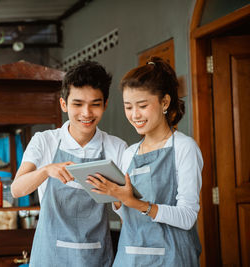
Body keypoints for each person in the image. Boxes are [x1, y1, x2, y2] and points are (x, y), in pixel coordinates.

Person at [87, 57, 203, 266]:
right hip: (130, 256)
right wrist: (115, 197)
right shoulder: (129, 153)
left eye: (142, 105)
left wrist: (135, 202)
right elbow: (126, 215)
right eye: (128, 107)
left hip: (172, 257)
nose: (134, 115)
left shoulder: (184, 148)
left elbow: (187, 217)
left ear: (165, 102)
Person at [11, 61, 127, 267]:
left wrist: (115, 194)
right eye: (78, 104)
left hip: (95, 256)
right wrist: (46, 170)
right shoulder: (45, 141)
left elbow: (127, 210)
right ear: (63, 104)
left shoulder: (116, 147)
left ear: (105, 104)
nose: (86, 113)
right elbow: (17, 189)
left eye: (95, 104)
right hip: (49, 256)